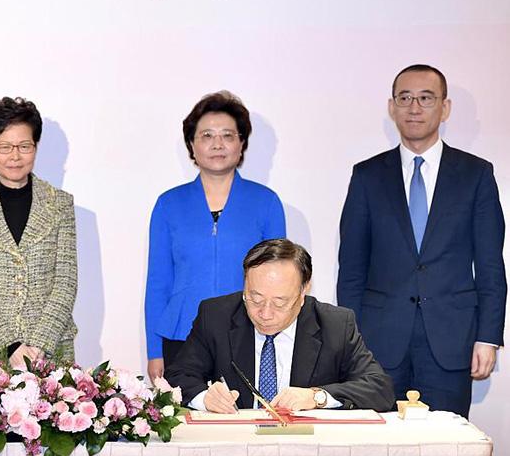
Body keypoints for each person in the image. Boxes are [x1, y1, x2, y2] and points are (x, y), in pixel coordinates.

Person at [337, 64, 506, 418]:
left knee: (445, 444)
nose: (414, 108)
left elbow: (490, 264)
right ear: (392, 107)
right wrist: (352, 342)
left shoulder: (476, 174)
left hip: (452, 342)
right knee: (379, 445)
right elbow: (351, 268)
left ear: (445, 108)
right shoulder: (367, 176)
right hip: (379, 345)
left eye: (426, 98)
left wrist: (488, 337)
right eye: (405, 98)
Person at [145, 91, 285, 384]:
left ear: (241, 143)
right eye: (207, 135)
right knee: (184, 412)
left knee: (241, 412)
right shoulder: (169, 204)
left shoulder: (266, 202)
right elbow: (158, 283)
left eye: (227, 135)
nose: (218, 144)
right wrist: (154, 351)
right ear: (192, 144)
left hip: (248, 334)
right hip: (182, 337)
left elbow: (280, 280)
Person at [166, 239, 394, 413]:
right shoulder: (216, 316)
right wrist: (205, 397)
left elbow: (379, 389)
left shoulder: (335, 325)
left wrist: (316, 397)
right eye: (255, 299)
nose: (265, 314)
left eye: (280, 302)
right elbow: (177, 376)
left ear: (303, 292)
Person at [0, 97, 77, 367]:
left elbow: (66, 281)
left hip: (52, 347)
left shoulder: (60, 204)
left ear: (36, 147)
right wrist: (9, 345)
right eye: (4, 147)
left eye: (24, 146)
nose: (15, 156)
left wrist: (38, 344)